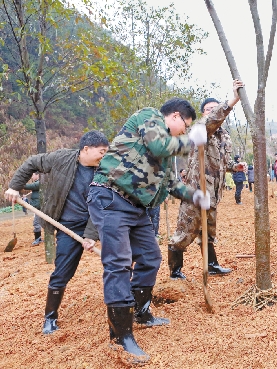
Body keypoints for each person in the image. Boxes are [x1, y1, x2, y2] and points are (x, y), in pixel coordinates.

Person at [87, 97, 210, 363]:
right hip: (111, 197)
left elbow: (172, 185)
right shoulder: (148, 117)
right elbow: (159, 144)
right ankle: (121, 335)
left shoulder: (165, 154)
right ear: (175, 116)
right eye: (185, 126)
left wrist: (196, 196)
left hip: (136, 207)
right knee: (119, 263)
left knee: (150, 257)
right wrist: (192, 142)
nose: (185, 132)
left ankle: (141, 312)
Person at [4, 131, 109, 335]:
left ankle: (130, 303)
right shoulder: (62, 158)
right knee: (62, 273)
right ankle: (50, 318)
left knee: (115, 262)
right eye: (101, 151)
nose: (104, 156)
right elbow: (32, 162)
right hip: (66, 226)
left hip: (96, 222)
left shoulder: (105, 172)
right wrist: (15, 187)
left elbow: (102, 207)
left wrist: (90, 235)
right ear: (86, 149)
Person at [168, 80, 244, 281]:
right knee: (185, 232)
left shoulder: (224, 137)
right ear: (203, 113)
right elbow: (209, 121)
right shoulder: (200, 129)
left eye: (215, 108)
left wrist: (234, 167)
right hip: (196, 191)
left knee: (208, 232)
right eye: (209, 109)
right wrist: (232, 100)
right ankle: (175, 271)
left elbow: (221, 163)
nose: (213, 112)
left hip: (213, 193)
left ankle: (211, 265)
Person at [24, 172, 42, 245]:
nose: (32, 177)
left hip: (39, 207)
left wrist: (18, 185)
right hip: (38, 207)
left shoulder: (40, 182)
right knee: (38, 222)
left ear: (37, 175)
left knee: (36, 222)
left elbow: (30, 186)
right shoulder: (38, 183)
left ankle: (38, 239)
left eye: (33, 175)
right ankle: (39, 238)